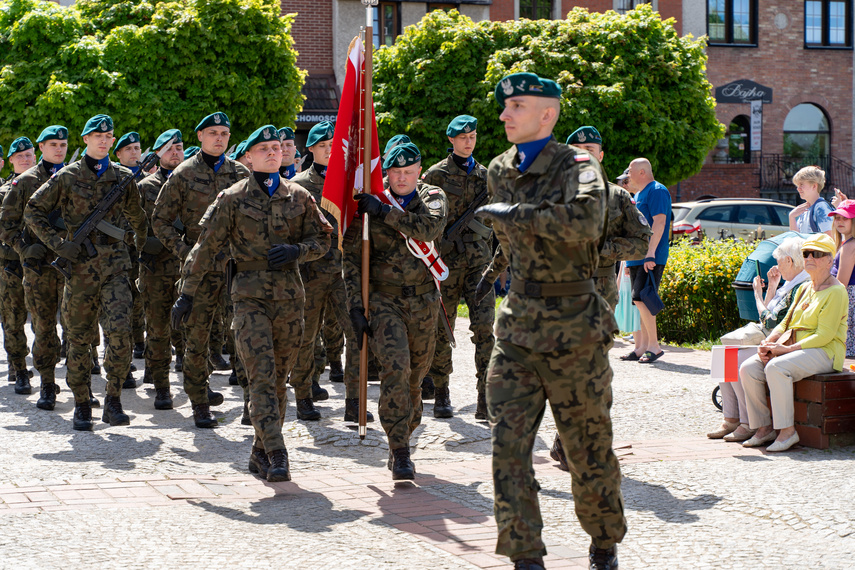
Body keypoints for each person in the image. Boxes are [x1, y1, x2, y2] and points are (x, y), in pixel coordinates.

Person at [475, 72, 625, 570]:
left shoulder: (580, 166)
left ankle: (604, 543)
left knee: (587, 450)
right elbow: (512, 246)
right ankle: (525, 555)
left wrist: (518, 214)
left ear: (548, 113)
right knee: (507, 448)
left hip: (574, 330)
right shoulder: (498, 167)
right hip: (516, 329)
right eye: (504, 105)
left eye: (516, 105)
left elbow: (585, 222)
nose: (504, 114)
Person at [172, 124, 331, 481]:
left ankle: (259, 451)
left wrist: (298, 251)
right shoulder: (231, 197)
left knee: (278, 380)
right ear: (249, 156)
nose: (273, 153)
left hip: (290, 298)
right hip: (248, 297)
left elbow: (323, 241)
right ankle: (277, 453)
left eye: (277, 147)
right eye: (264, 149)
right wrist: (187, 292)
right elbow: (204, 248)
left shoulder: (299, 196)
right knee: (260, 376)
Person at [25, 114, 149, 430]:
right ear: (86, 140)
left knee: (120, 333)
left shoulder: (123, 178)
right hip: (79, 271)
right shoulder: (66, 177)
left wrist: (140, 258)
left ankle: (113, 400)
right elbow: (32, 211)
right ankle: (82, 403)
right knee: (79, 339)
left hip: (116, 270)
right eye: (98, 136)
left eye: (109, 136)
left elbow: (139, 220)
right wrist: (58, 244)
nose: (104, 140)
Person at [343, 141, 447, 480]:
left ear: (419, 170)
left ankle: (405, 434)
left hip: (424, 302)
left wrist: (385, 212)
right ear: (385, 172)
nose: (402, 178)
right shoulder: (369, 205)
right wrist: (357, 307)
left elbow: (429, 229)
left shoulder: (432, 196)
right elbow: (353, 261)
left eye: (408, 171)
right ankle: (399, 448)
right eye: (395, 172)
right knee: (396, 370)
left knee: (416, 378)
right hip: (385, 302)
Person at [550, 126, 651, 469]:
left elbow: (640, 241)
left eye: (591, 148)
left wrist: (603, 248)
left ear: (601, 154)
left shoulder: (617, 197)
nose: (584, 154)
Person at [152, 111, 250, 428]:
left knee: (244, 336)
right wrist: (186, 252)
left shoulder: (241, 173)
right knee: (197, 339)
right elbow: (160, 221)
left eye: (224, 132)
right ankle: (200, 403)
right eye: (213, 132)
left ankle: (251, 403)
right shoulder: (182, 174)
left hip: (236, 267)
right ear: (200, 137)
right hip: (201, 270)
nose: (219, 138)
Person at [291, 121, 374, 423]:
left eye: (333, 145)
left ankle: (354, 400)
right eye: (322, 145)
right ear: (311, 149)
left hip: (345, 274)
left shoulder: (351, 184)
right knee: (305, 337)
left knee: (356, 333)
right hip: (310, 274)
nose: (329, 150)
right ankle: (303, 395)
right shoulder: (298, 185)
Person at [740, 233, 847, 452]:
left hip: (826, 352)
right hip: (798, 347)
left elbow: (824, 336)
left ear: (830, 260)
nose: (809, 258)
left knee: (776, 367)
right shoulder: (807, 287)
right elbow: (786, 322)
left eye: (816, 254)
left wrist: (786, 349)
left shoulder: (837, 291)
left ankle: (787, 432)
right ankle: (764, 428)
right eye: (806, 253)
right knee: (748, 368)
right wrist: (768, 343)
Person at [420, 114, 494, 419]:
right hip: (445, 264)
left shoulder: (487, 177)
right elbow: (424, 218)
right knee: (442, 330)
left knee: (485, 327)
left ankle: (484, 397)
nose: (468, 141)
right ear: (451, 140)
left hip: (479, 263)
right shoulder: (435, 176)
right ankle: (441, 391)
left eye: (473, 136)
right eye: (462, 137)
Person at [709, 236, 808, 441]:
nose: (777, 267)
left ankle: (748, 423)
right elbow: (770, 314)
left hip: (781, 341)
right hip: (771, 337)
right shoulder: (790, 284)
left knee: (734, 358)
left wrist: (756, 295)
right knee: (721, 354)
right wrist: (771, 288)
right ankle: (731, 418)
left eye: (779, 261)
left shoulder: (800, 286)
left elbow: (770, 321)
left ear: (789, 261)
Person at [0, 126, 69, 408]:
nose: (59, 149)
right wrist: (23, 249)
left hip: (71, 265)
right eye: (53, 144)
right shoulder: (21, 185)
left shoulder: (74, 177)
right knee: (36, 325)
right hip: (31, 267)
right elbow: (7, 226)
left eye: (63, 144)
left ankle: (80, 384)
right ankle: (34, 375)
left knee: (77, 328)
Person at [137, 129, 185, 410]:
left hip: (188, 267)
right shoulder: (144, 187)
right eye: (169, 149)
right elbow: (132, 226)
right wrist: (146, 242)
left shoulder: (193, 183)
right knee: (157, 330)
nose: (175, 153)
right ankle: (162, 387)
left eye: (179, 148)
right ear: (158, 154)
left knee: (192, 329)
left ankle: (197, 387)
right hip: (156, 269)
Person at [623, 157, 671, 364]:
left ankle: (654, 346)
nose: (628, 174)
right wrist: (629, 260)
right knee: (638, 300)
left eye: (631, 170)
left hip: (649, 256)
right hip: (637, 257)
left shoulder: (657, 190)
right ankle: (642, 346)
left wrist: (650, 253)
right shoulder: (640, 193)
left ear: (642, 172)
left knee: (643, 298)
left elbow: (659, 223)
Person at [0, 137, 36, 395]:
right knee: (13, 318)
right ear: (10, 160)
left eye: (29, 154)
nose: (26, 159)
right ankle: (19, 367)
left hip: (42, 264)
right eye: (20, 155)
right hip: (12, 264)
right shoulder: (4, 191)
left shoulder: (47, 185)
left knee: (46, 320)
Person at [114, 132, 147, 365]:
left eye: (137, 148)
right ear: (119, 154)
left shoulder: (148, 181)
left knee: (142, 298)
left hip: (143, 249)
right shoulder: (114, 180)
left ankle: (140, 341)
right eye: (129, 149)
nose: (134, 153)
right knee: (123, 302)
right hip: (120, 249)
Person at [828, 199, 855, 356]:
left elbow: (841, 284)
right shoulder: (848, 243)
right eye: (837, 217)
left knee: (848, 351)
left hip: (848, 299)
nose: (840, 221)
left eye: (845, 218)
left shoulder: (850, 246)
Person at [788, 165, 834, 236]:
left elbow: (830, 238)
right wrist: (792, 217)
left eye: (801, 184)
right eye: (797, 185)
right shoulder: (806, 209)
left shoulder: (821, 208)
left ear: (814, 186)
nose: (798, 188)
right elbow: (796, 237)